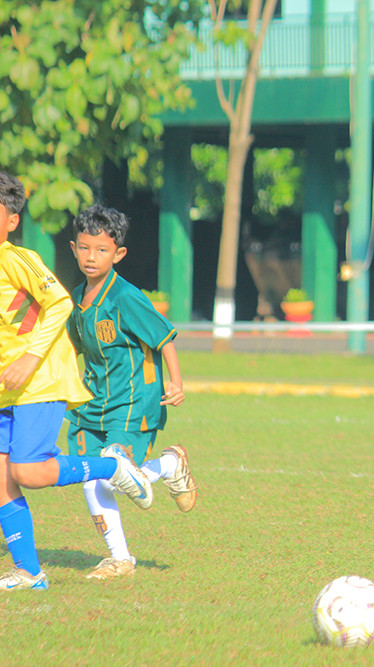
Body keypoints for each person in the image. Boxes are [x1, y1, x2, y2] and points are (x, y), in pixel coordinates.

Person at [0, 173, 153, 591]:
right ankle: (30, 573)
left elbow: (60, 302)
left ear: (12, 221)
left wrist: (31, 358)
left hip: (40, 382)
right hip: (4, 390)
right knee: (1, 481)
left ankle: (113, 466)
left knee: (29, 473)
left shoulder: (16, 258)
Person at [66, 205, 197, 580]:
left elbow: (164, 336)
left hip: (132, 402)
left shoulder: (126, 297)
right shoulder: (77, 298)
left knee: (114, 477)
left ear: (118, 254)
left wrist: (176, 381)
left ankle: (170, 465)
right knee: (92, 477)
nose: (92, 257)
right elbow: (72, 347)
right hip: (91, 403)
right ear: (74, 248)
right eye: (85, 248)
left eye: (102, 250)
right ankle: (120, 559)